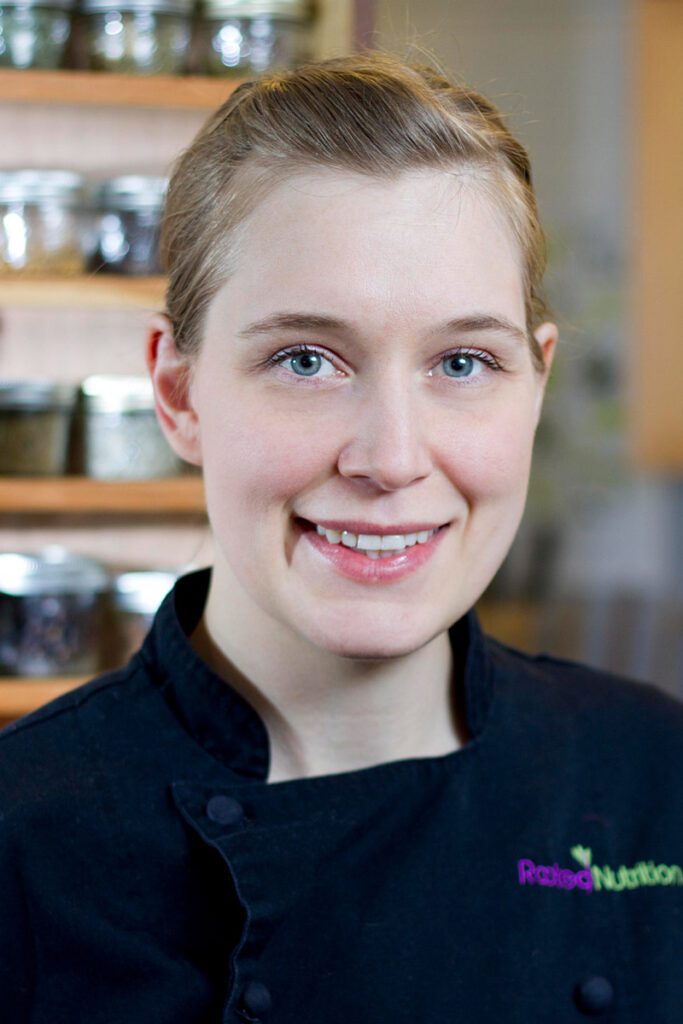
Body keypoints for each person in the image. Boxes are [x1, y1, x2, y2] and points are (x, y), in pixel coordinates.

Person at [1, 51, 682, 1024]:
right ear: (178, 394)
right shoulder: (23, 837)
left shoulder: (652, 773)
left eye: (460, 360)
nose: (391, 458)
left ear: (534, 384)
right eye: (306, 359)